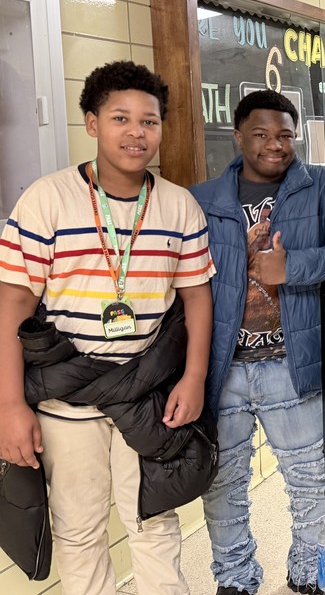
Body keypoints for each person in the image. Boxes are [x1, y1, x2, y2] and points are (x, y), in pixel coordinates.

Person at [0, 60, 215, 595]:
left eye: (150, 121)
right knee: (80, 531)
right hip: (65, 399)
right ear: (92, 123)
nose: (137, 133)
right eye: (121, 118)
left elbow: (197, 298)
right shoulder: (46, 200)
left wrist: (193, 379)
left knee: (156, 524)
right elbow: (11, 306)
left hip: (148, 393)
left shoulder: (179, 205)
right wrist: (9, 406)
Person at [191, 90, 325, 595]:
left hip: (293, 363)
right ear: (239, 135)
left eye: (285, 135)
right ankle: (236, 581)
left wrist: (293, 269)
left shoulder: (323, 187)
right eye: (262, 134)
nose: (275, 145)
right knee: (224, 489)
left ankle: (307, 575)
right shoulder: (203, 200)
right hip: (222, 371)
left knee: (310, 483)